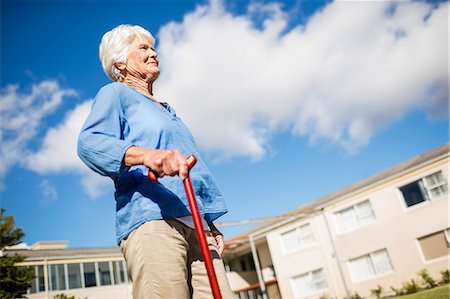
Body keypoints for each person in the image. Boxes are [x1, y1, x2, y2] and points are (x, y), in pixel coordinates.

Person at [77, 24, 234, 299]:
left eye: (153, 47)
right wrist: (148, 156)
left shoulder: (168, 111)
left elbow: (191, 170)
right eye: (144, 48)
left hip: (196, 225)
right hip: (152, 221)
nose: (154, 53)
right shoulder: (115, 95)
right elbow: (89, 143)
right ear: (120, 62)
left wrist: (210, 222)